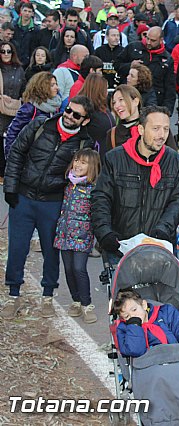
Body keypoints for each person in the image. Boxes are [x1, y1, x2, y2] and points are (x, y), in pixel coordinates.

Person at [1, 97, 94, 320]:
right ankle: (13, 295)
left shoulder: (84, 143)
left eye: (77, 114)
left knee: (51, 251)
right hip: (23, 197)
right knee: (17, 248)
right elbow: (16, 154)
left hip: (53, 202)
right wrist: (11, 188)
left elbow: (85, 175)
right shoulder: (40, 126)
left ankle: (47, 296)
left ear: (85, 120)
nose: (70, 116)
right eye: (69, 110)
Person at [91, 105, 179, 258]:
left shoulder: (174, 161)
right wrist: (104, 233)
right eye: (156, 128)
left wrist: (163, 229)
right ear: (141, 130)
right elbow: (101, 197)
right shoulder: (115, 158)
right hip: (121, 246)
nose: (162, 135)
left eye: (165, 129)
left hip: (159, 245)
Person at [53, 148, 101, 323]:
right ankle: (76, 300)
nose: (78, 165)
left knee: (79, 268)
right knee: (68, 269)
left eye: (83, 162)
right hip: (64, 235)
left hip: (82, 236)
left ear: (92, 167)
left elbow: (98, 213)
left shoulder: (93, 189)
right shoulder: (67, 185)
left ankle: (87, 304)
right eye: (76, 160)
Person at [114, 289, 179, 358]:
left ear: (143, 305)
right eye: (127, 316)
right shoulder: (124, 329)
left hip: (176, 358)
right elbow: (135, 350)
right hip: (150, 369)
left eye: (134, 310)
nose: (133, 316)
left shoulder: (166, 313)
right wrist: (135, 325)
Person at [114, 26, 176, 113]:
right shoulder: (133, 47)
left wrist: (167, 110)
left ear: (161, 40)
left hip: (155, 101)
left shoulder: (167, 59)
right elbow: (116, 65)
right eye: (147, 38)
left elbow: (170, 86)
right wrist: (130, 65)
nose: (148, 42)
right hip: (129, 96)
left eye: (153, 40)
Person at [4, 72, 62, 157]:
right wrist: (10, 156)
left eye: (56, 84)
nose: (56, 88)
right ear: (42, 87)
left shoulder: (55, 106)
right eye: (52, 85)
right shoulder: (30, 108)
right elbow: (13, 131)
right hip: (28, 154)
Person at [0, 41, 24, 177]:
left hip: (14, 109)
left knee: (12, 139)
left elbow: (23, 88)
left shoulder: (19, 69)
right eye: (3, 51)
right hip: (0, 108)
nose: (6, 54)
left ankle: (8, 170)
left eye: (9, 51)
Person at [78, 73, 115, 151]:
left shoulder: (102, 107)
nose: (107, 93)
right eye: (106, 89)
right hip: (92, 154)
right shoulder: (84, 110)